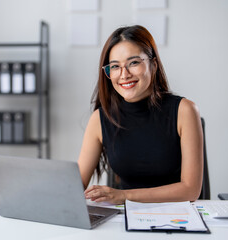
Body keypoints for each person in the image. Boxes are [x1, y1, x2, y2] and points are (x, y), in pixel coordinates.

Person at [77, 25, 203, 204]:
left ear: (153, 64)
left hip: (177, 217)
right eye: (115, 66)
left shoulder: (185, 110)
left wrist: (124, 196)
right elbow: (75, 185)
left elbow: (190, 190)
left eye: (134, 63)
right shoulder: (100, 119)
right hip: (125, 220)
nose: (124, 74)